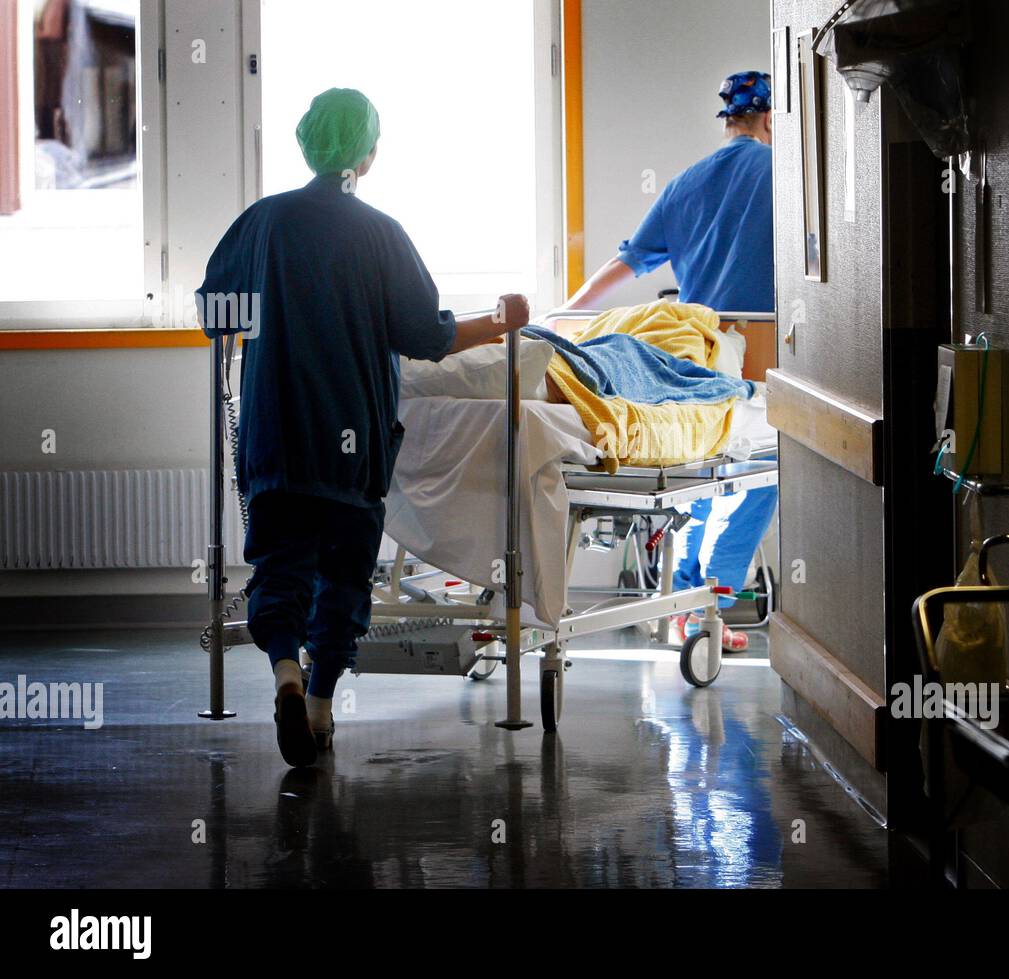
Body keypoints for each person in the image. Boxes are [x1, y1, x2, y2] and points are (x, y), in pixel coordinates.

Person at [198, 88, 530, 767]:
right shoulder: (380, 232)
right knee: (345, 577)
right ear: (368, 155)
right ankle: (320, 709)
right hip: (353, 444)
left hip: (277, 437)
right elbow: (424, 335)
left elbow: (215, 314)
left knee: (280, 568)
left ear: (306, 144)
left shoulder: (262, 223)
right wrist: (501, 319)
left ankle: (286, 672)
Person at [560, 71, 778, 652]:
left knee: (702, 472)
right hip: (758, 351)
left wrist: (561, 319)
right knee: (763, 467)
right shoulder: (786, 176)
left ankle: (690, 603)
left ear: (727, 118)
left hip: (692, 354)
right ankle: (711, 598)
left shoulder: (684, 184)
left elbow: (627, 264)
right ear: (771, 119)